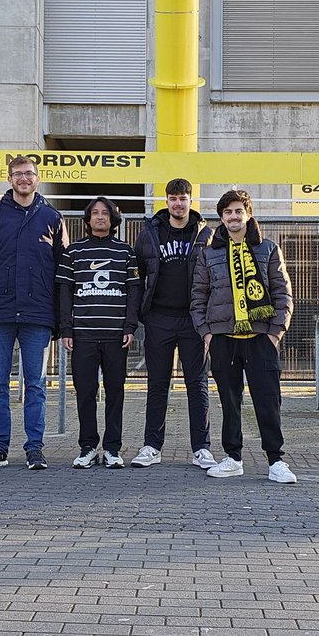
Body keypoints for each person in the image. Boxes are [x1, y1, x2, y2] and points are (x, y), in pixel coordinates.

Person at [190, 189, 297, 484]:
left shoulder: (268, 249)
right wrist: (207, 334)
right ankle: (233, 458)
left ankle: (276, 461)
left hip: (261, 338)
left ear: (248, 214)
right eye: (228, 212)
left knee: (268, 401)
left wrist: (275, 333)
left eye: (238, 211)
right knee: (229, 401)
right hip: (223, 338)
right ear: (221, 218)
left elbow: (283, 294)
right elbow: (198, 297)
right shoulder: (209, 253)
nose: (233, 217)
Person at [0, 156, 67, 471]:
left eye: (29, 174)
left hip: (38, 314)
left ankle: (35, 448)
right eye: (18, 174)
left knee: (36, 385)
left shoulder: (52, 217)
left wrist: (60, 317)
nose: (24, 179)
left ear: (38, 178)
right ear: (9, 178)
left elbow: (62, 272)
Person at [130, 178, 216, 469]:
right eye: (173, 198)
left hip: (194, 321)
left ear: (191, 200)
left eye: (183, 198)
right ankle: (152, 446)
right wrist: (141, 314)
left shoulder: (206, 235)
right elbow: (139, 277)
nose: (178, 203)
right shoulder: (149, 234)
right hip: (159, 319)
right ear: (166, 201)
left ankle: (201, 448)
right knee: (157, 384)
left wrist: (209, 319)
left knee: (198, 384)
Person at [57, 197, 141, 469]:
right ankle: (88, 447)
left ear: (113, 219)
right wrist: (66, 328)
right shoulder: (73, 252)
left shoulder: (126, 252)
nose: (100, 217)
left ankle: (113, 449)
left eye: (105, 213)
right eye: (95, 213)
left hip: (116, 336)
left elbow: (134, 292)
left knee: (115, 392)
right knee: (85, 393)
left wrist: (130, 326)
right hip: (83, 335)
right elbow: (64, 292)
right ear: (88, 219)